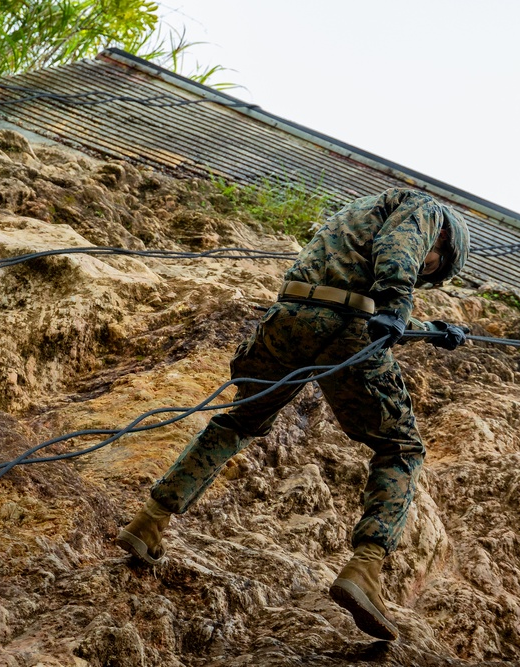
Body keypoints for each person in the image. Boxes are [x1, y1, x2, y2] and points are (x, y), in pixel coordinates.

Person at [116, 188, 470, 641]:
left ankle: (149, 523)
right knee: (400, 447)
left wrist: (432, 333)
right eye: (435, 265)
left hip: (287, 319)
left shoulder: (351, 219)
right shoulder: (427, 212)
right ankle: (365, 568)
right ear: (444, 240)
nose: (428, 270)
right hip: (346, 331)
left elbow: (345, 296)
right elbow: (392, 264)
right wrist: (399, 305)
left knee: (237, 422)